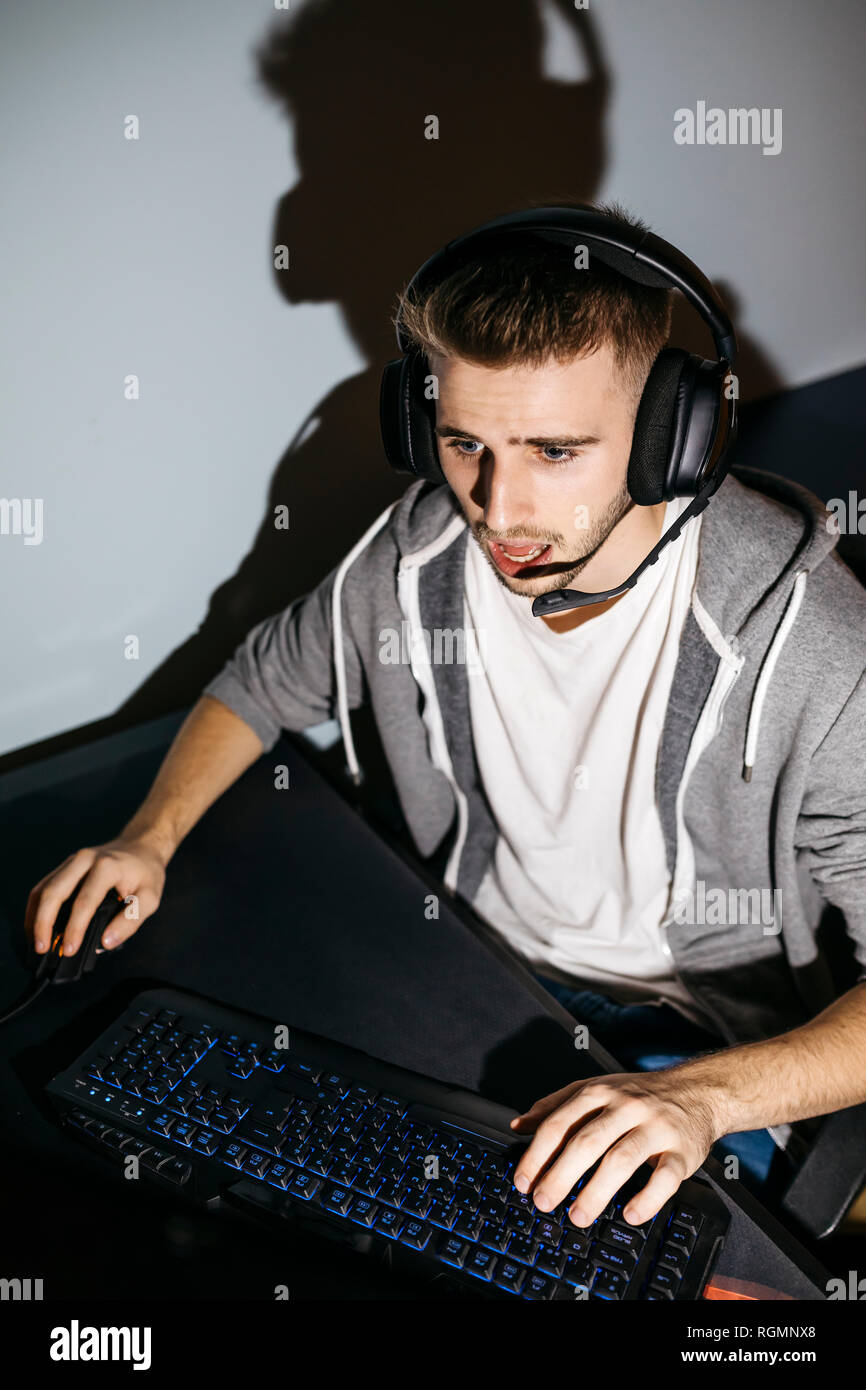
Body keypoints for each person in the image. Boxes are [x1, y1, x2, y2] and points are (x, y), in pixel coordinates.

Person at [26, 202, 866, 1234]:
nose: (496, 508)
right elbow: (263, 679)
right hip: (472, 966)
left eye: (554, 451)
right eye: (464, 442)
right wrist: (144, 838)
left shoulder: (806, 641)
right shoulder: (415, 554)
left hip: (699, 1037)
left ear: (669, 438)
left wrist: (702, 1096)